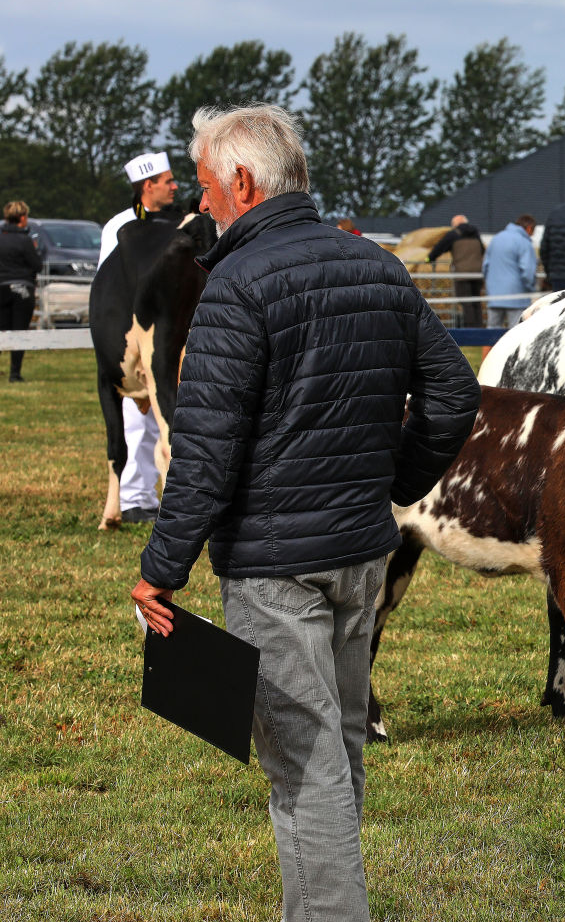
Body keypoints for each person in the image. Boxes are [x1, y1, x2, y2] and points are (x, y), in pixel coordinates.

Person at [130, 103, 480, 922]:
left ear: (243, 182)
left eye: (208, 185)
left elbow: (206, 451)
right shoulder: (377, 266)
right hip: (359, 556)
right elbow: (454, 392)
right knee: (336, 751)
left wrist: (161, 568)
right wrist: (390, 482)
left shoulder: (236, 284)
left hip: (273, 568)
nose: (203, 202)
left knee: (304, 767)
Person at [97, 152, 180, 523]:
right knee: (135, 419)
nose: (174, 186)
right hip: (133, 335)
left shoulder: (175, 224)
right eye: (167, 181)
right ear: (148, 186)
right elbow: (110, 286)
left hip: (167, 331)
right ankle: (133, 499)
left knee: (168, 418)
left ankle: (164, 495)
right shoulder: (120, 226)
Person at [0, 200, 41, 382]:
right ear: (22, 218)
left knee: (1, 330)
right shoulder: (25, 241)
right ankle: (14, 373)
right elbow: (37, 265)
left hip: (1, 288)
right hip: (22, 289)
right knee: (19, 331)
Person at [425, 213, 486, 327]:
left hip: (462, 274)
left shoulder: (453, 234)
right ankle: (480, 328)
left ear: (455, 224)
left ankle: (471, 329)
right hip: (477, 274)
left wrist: (429, 258)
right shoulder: (476, 234)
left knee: (466, 302)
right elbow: (482, 250)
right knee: (476, 301)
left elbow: (440, 247)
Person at [482, 213, 537, 329]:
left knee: (491, 329)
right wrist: (530, 288)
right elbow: (527, 271)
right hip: (517, 296)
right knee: (517, 330)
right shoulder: (524, 242)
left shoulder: (496, 239)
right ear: (529, 228)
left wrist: (490, 286)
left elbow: (485, 267)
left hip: (494, 295)